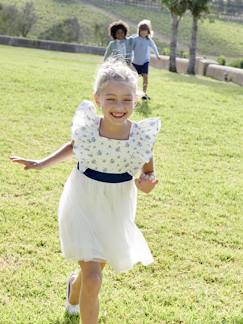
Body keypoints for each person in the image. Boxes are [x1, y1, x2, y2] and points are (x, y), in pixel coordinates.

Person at [10, 59, 161, 324]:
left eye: (127, 99)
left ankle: (73, 290)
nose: (119, 106)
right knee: (93, 276)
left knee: (93, 271)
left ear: (136, 100)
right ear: (98, 99)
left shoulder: (141, 136)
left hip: (116, 206)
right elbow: (73, 147)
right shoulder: (90, 127)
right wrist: (41, 163)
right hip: (82, 199)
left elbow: (147, 171)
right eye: (111, 98)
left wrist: (146, 183)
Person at [131, 19, 161, 101]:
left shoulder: (149, 40)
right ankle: (133, 93)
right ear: (139, 31)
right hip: (135, 62)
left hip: (145, 62)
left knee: (145, 77)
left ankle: (144, 94)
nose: (143, 32)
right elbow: (130, 48)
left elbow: (154, 47)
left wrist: (157, 55)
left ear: (148, 32)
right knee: (134, 78)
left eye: (145, 31)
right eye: (141, 31)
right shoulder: (135, 39)